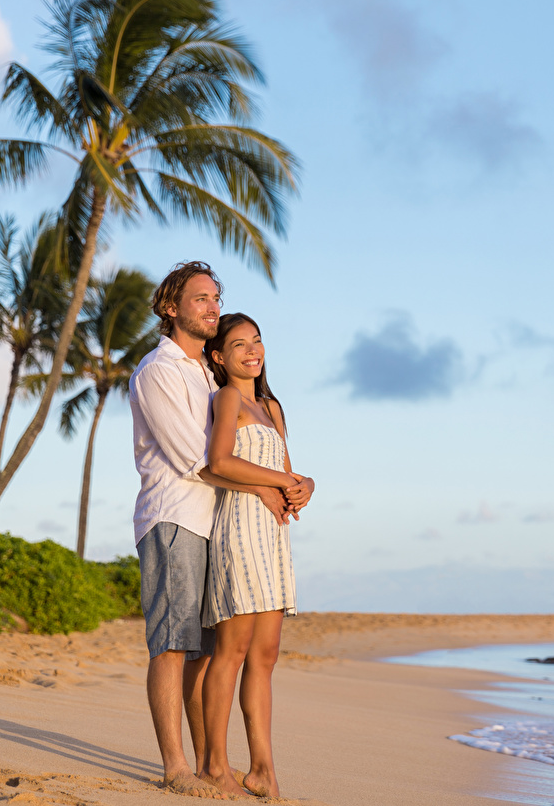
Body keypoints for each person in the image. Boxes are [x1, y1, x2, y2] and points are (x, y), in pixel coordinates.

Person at [129, 262, 313, 795]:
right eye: (200, 299)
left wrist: (288, 484)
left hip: (216, 522)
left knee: (206, 652)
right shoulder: (159, 371)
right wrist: (272, 484)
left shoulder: (209, 377)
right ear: (172, 308)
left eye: (216, 298)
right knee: (171, 642)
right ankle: (175, 767)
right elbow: (198, 459)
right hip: (174, 517)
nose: (211, 307)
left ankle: (214, 763)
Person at [197, 312, 306, 798]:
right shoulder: (227, 398)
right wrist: (280, 482)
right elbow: (217, 462)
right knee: (233, 650)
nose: (252, 350)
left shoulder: (271, 406)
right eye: (239, 344)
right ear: (220, 357)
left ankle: (263, 768)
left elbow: (287, 470)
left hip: (274, 535)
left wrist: (304, 486)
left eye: (257, 341)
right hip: (239, 528)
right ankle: (215, 765)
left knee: (265, 656)